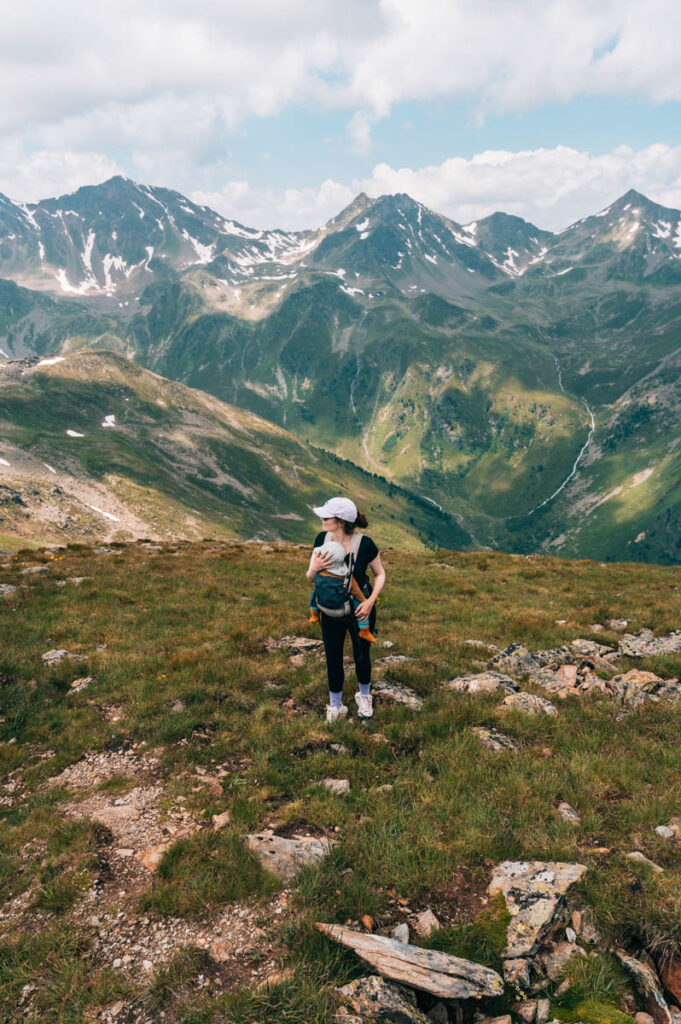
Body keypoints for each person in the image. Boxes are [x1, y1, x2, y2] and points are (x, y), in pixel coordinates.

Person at [305, 497, 386, 722]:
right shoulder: (321, 539)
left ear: (340, 521)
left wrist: (370, 602)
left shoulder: (365, 544)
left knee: (361, 654)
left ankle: (365, 695)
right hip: (330, 608)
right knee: (333, 656)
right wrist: (315, 568)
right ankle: (335, 705)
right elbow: (310, 578)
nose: (322, 519)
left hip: (360, 608)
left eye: (327, 516)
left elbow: (380, 574)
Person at [308, 540, 376, 643]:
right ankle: (364, 630)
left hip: (322, 607)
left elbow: (310, 579)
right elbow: (356, 592)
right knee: (360, 605)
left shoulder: (318, 571)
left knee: (315, 593)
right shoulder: (346, 576)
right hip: (340, 610)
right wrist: (364, 601)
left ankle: (314, 614)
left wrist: (313, 568)